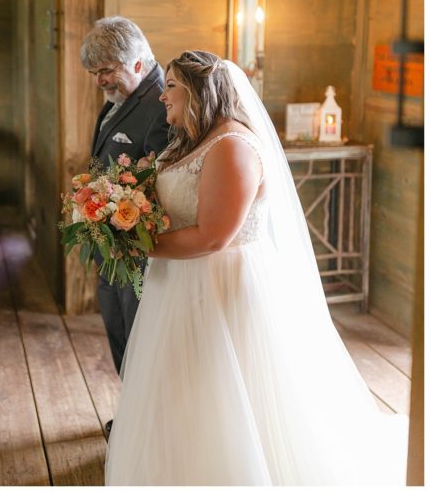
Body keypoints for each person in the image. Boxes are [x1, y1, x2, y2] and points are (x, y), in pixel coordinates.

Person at [105, 51, 407, 485]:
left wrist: (138, 245)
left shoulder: (232, 146)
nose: (162, 96)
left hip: (222, 285)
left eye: (170, 86)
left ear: (197, 91)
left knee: (226, 390)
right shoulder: (194, 139)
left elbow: (214, 236)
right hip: (182, 281)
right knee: (183, 388)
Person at [79, 17, 169, 392]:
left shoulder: (163, 102)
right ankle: (131, 413)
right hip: (110, 249)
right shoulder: (122, 97)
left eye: (105, 71)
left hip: (138, 255)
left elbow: (164, 182)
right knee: (120, 335)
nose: (100, 80)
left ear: (136, 62)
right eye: (95, 72)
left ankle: (143, 420)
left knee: (140, 338)